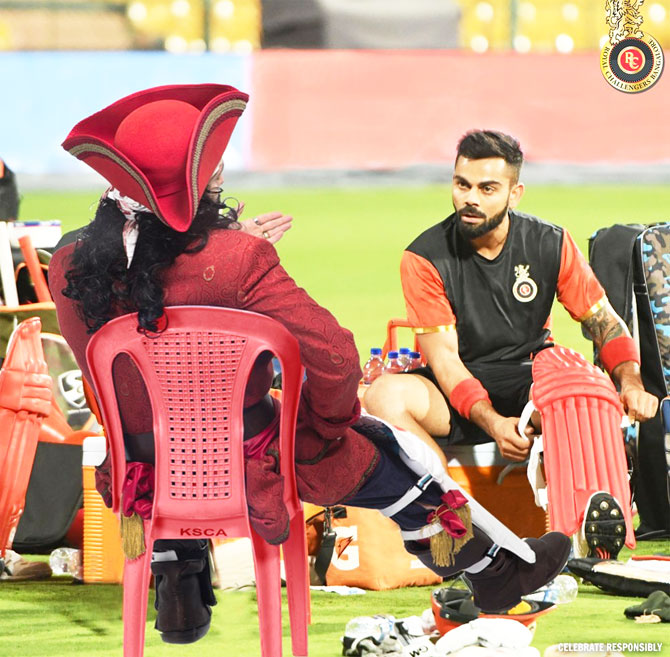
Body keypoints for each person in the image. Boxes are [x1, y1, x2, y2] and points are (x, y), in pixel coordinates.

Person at [50, 87, 572, 645]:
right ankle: (489, 569)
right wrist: (326, 427)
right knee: (394, 453)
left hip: (142, 469)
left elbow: (156, 295)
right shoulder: (237, 259)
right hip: (247, 463)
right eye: (214, 161)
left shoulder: (66, 264)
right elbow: (335, 357)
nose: (223, 167)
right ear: (197, 178)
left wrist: (219, 251)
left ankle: (177, 576)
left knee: (176, 434)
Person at [363, 129, 658, 548]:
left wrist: (629, 381)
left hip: (529, 380)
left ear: (514, 194)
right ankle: (454, 521)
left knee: (583, 389)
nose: (471, 198)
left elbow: (603, 321)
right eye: (462, 184)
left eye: (487, 188)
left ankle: (589, 534)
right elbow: (445, 361)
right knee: (383, 397)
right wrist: (491, 421)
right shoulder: (424, 256)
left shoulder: (550, 242)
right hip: (458, 386)